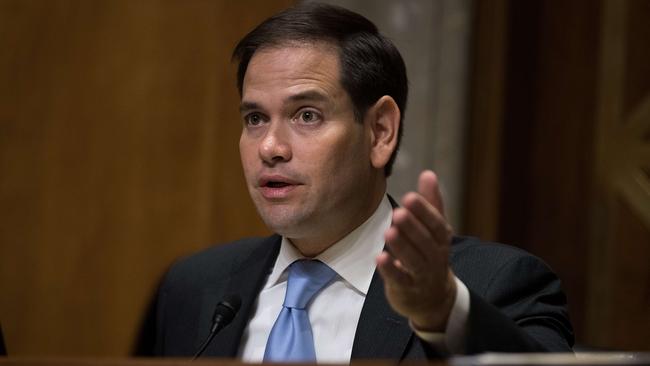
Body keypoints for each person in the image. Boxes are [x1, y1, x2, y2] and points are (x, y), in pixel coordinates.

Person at [151, 2, 573, 362]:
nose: (270, 147)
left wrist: (443, 311)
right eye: (255, 118)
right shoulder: (194, 287)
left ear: (380, 132)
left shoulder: (496, 283)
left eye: (307, 115)